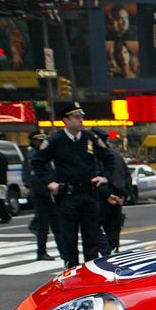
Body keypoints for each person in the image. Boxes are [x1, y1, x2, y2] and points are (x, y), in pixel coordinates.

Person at [31, 103, 115, 269]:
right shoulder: (55, 140)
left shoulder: (89, 138)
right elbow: (37, 162)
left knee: (91, 236)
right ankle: (71, 270)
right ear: (66, 120)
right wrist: (50, 182)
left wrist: (104, 177)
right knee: (69, 236)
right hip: (67, 194)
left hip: (89, 192)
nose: (80, 120)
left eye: (81, 116)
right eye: (76, 117)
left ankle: (91, 271)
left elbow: (108, 157)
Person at [24, 131, 62, 260]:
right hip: (42, 194)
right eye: (40, 141)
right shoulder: (34, 156)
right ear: (34, 142)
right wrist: (48, 190)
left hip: (50, 192)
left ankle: (62, 250)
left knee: (56, 224)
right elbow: (34, 177)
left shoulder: (46, 153)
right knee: (44, 225)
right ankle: (42, 251)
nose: (42, 143)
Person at [91, 128, 128, 256]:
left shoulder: (96, 156)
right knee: (113, 231)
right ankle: (113, 255)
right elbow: (126, 176)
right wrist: (124, 196)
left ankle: (107, 254)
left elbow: (96, 178)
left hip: (102, 198)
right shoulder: (116, 155)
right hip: (117, 197)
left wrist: (106, 194)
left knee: (93, 228)